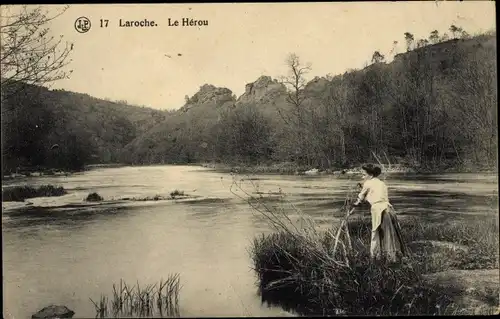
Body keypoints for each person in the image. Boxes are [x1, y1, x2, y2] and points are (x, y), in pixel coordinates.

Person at [350, 164, 407, 262]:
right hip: (389, 209)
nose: (362, 177)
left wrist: (354, 204)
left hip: (378, 210)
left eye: (363, 175)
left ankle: (375, 258)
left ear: (370, 175)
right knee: (391, 233)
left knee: (375, 233)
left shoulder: (368, 183)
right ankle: (393, 256)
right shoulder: (382, 184)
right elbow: (377, 195)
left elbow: (360, 198)